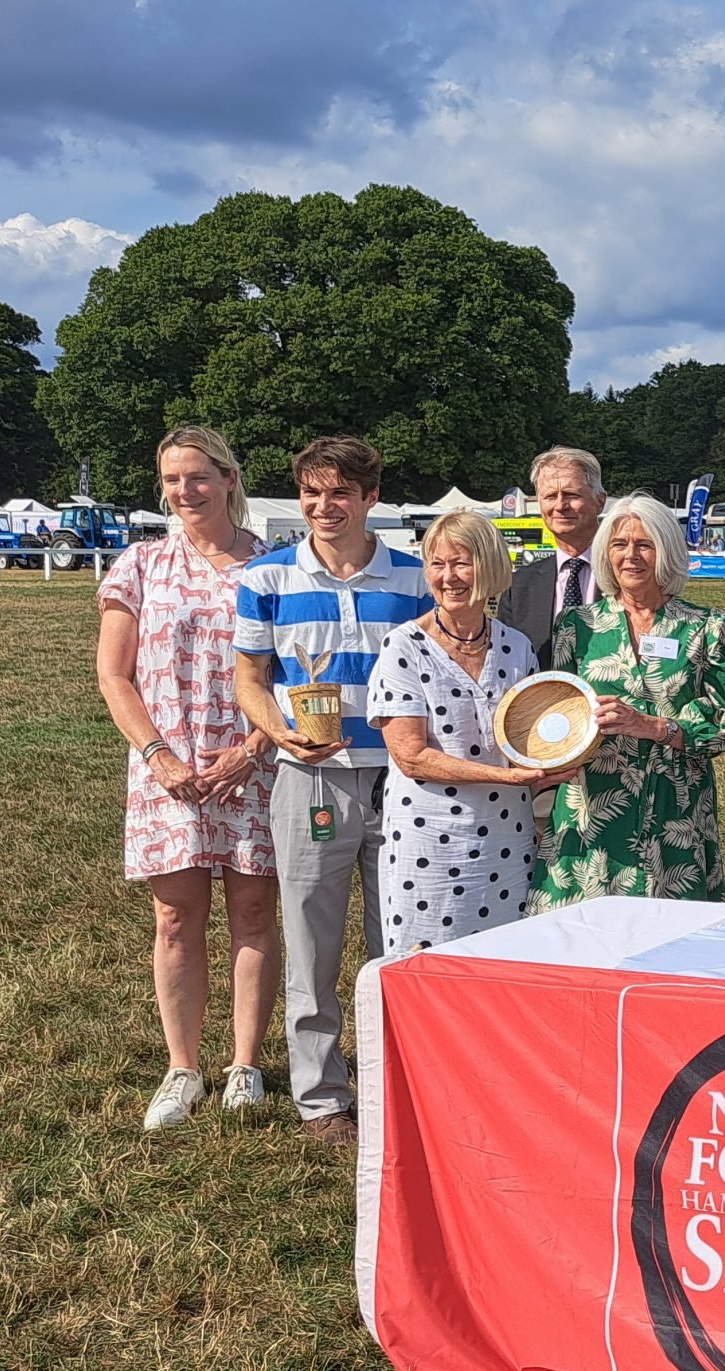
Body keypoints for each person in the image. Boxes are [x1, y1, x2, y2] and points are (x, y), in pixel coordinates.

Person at [233, 435, 432, 1145]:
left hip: (404, 781)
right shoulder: (266, 578)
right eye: (312, 493)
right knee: (311, 944)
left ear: (370, 498)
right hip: (307, 776)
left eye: (340, 493)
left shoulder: (415, 579)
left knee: (400, 941)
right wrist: (278, 732)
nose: (324, 506)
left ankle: (397, 1085)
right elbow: (250, 678)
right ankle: (321, 1099)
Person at [95, 426, 279, 1130]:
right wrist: (158, 757)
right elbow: (114, 675)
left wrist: (254, 747)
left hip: (252, 768)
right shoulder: (139, 565)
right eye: (172, 480)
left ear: (231, 478)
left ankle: (245, 1064)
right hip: (165, 770)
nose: (184, 491)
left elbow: (297, 674)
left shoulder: (273, 566)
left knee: (254, 915)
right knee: (175, 920)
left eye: (198, 476)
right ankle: (182, 1068)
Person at [367, 513, 571, 950]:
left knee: (504, 964)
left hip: (507, 840)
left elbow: (525, 742)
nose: (448, 577)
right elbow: (411, 757)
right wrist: (506, 777)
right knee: (426, 972)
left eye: (461, 563)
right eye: (437, 564)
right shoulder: (403, 646)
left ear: (490, 567)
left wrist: (562, 757)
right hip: (429, 843)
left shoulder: (517, 648)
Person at [530, 494, 725, 907]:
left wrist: (653, 726)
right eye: (619, 544)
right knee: (581, 943)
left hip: (675, 809)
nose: (631, 556)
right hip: (592, 807)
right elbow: (559, 708)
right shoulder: (579, 626)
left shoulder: (706, 627)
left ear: (667, 551)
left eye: (645, 544)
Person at [496, 447, 607, 655]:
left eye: (571, 494)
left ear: (600, 501)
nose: (560, 505)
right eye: (549, 496)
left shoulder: (629, 575)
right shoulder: (519, 586)